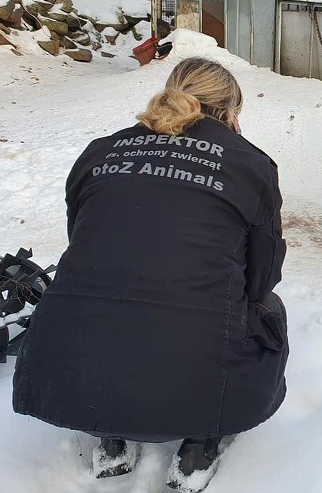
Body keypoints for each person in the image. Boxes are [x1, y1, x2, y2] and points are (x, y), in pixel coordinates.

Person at [12, 57, 288, 493]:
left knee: (109, 280)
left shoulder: (100, 151)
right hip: (193, 379)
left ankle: (110, 439)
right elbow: (262, 277)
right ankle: (199, 443)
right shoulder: (250, 164)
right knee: (268, 308)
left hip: (68, 378)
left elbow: (84, 242)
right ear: (232, 112)